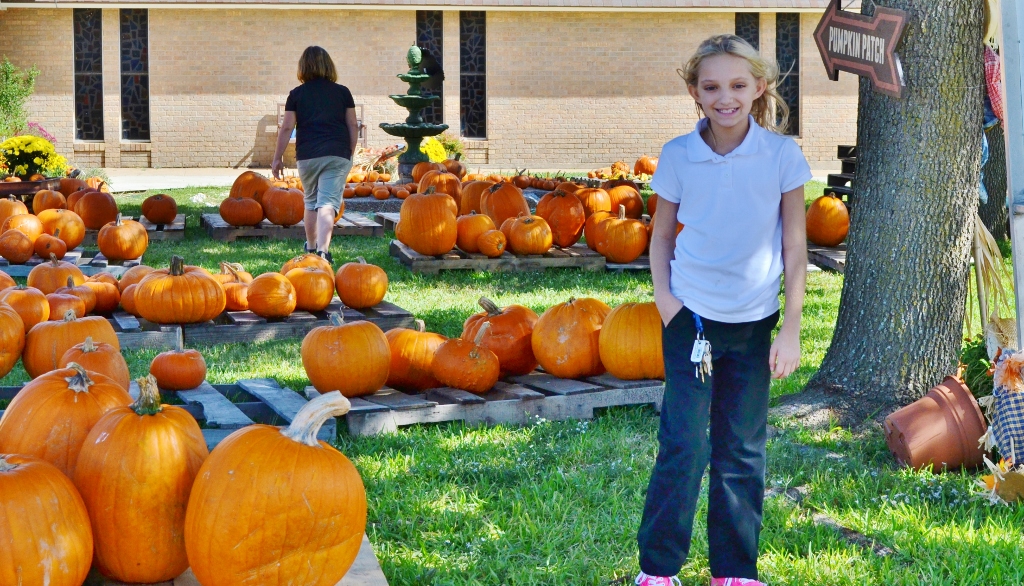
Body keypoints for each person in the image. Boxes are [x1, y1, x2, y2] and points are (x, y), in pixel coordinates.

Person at [635, 34, 811, 586]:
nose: (725, 97)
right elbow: (660, 237)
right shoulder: (678, 155)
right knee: (684, 445)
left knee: (741, 449)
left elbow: (796, 250)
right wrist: (669, 305)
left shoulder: (783, 155)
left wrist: (792, 328)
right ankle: (659, 570)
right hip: (692, 322)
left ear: (759, 87)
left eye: (738, 85)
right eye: (711, 86)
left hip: (755, 324)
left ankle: (734, 572)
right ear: (695, 91)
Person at [272, 46, 358, 265]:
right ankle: (323, 252)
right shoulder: (342, 92)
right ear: (328, 65)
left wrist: (277, 157)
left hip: (307, 155)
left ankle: (310, 248)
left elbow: (285, 128)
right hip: (337, 153)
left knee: (311, 201)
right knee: (328, 202)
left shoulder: (296, 94)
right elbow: (352, 125)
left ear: (303, 67)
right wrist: (350, 152)